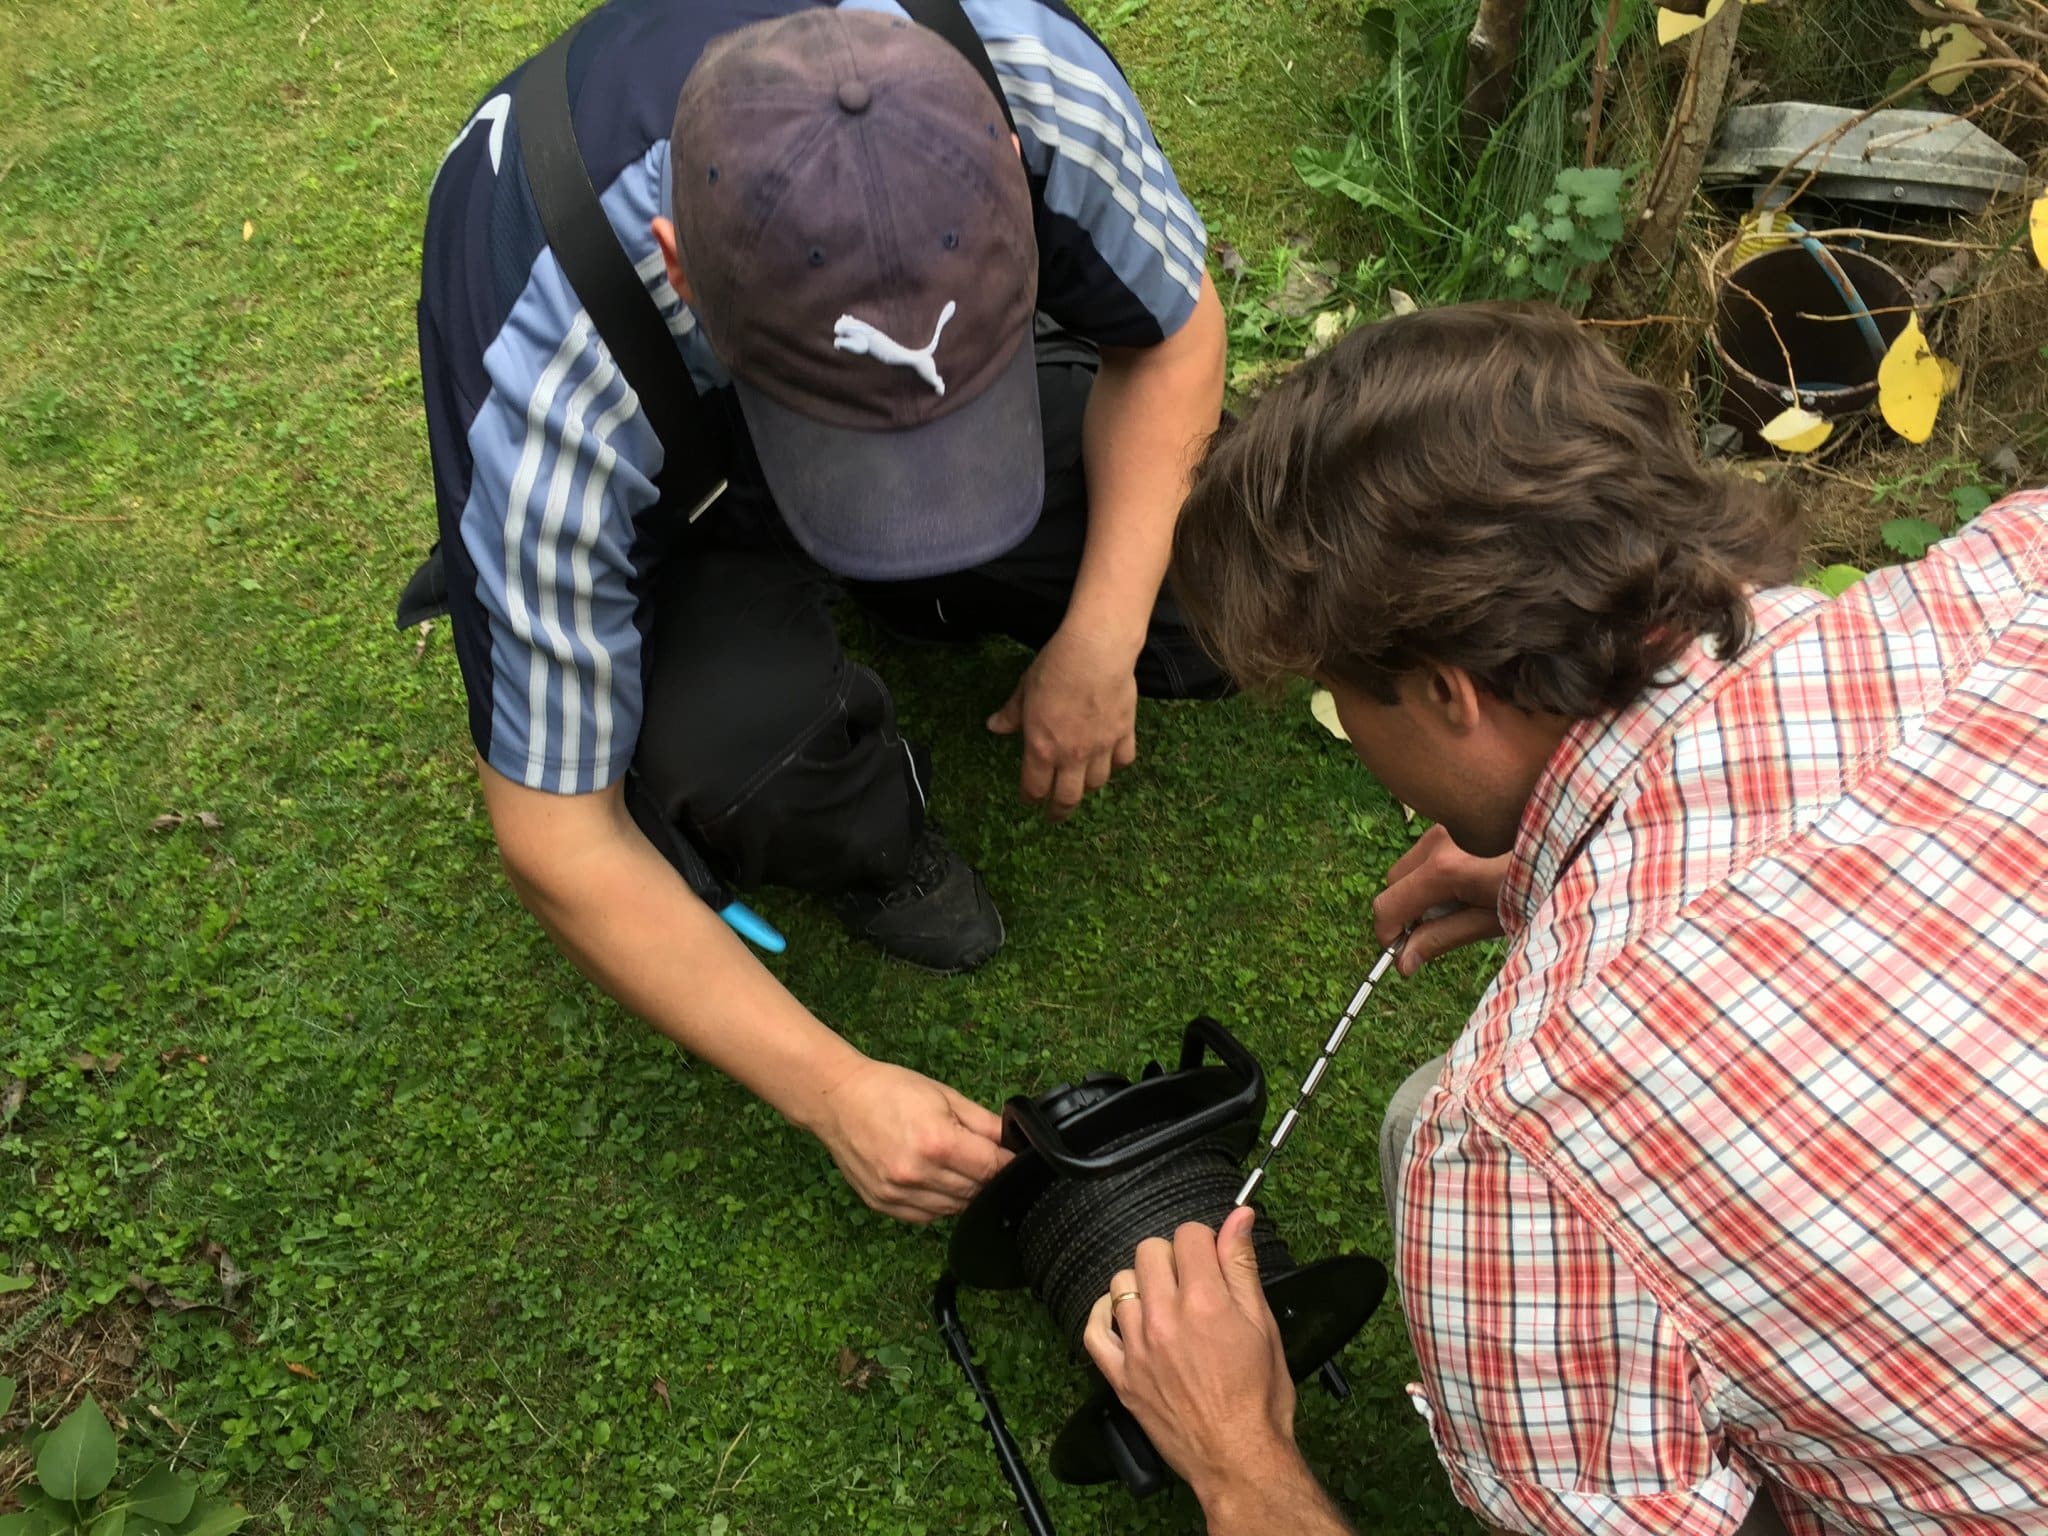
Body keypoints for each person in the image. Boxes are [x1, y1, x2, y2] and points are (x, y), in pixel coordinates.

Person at [1080, 304, 2048, 1534]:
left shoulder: (1514, 1147)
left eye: (1337, 695)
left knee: (1418, 1117)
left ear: (1446, 693)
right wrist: (1566, 880)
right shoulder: (2013, 571)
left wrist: (1234, 1458)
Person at [414, 0, 1227, 1222]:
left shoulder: (1032, 83)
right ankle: (858, 824)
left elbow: (1172, 341)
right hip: (682, 499)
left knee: (1217, 586)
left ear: (1009, 174)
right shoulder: (547, 366)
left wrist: (1100, 636)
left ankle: (929, 581)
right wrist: (831, 1088)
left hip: (834, 364)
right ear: (676, 259)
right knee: (730, 759)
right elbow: (556, 840)